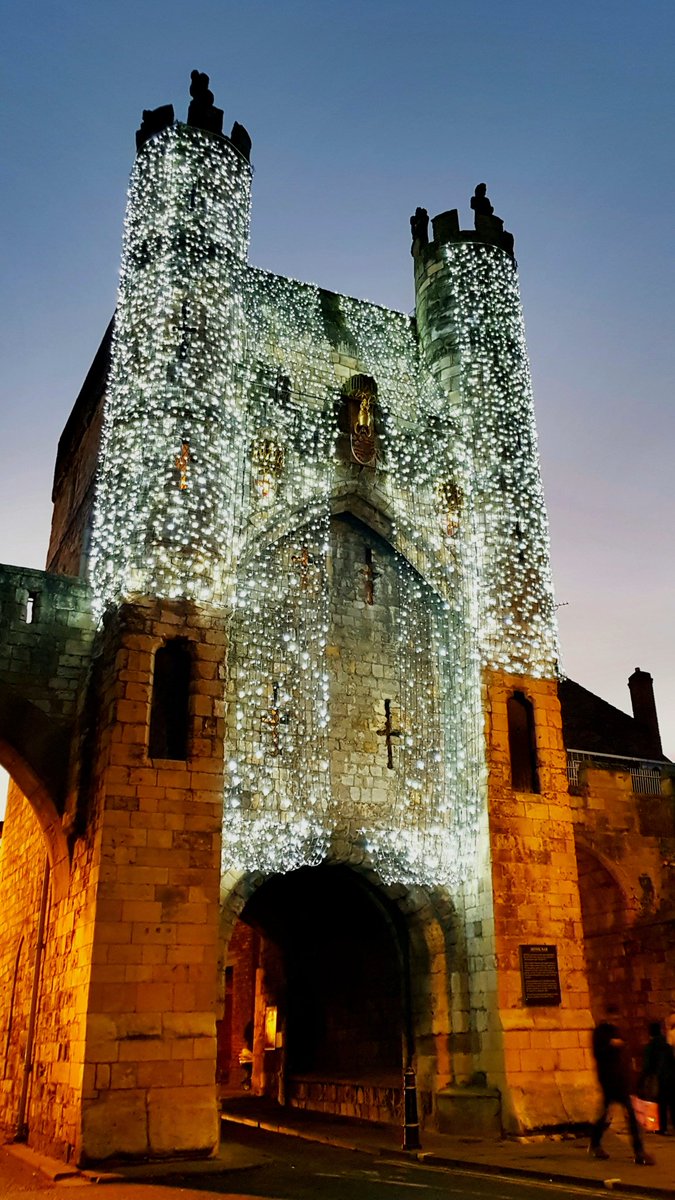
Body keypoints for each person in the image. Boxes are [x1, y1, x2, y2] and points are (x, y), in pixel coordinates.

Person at [589, 1005, 654, 1165]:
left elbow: (625, 1057)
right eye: (613, 1018)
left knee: (630, 1116)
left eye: (617, 1018)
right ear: (607, 1017)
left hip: (622, 1081)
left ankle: (638, 1151)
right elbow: (598, 1054)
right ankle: (597, 1143)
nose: (616, 1021)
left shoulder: (619, 1032)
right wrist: (610, 1045)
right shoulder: (600, 1033)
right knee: (607, 1115)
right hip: (609, 1081)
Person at [640, 1021, 675, 1135]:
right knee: (672, 1103)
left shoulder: (650, 1047)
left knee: (662, 1104)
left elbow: (647, 1066)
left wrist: (642, 1081)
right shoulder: (667, 1046)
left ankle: (662, 1127)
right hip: (671, 1077)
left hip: (660, 1078)